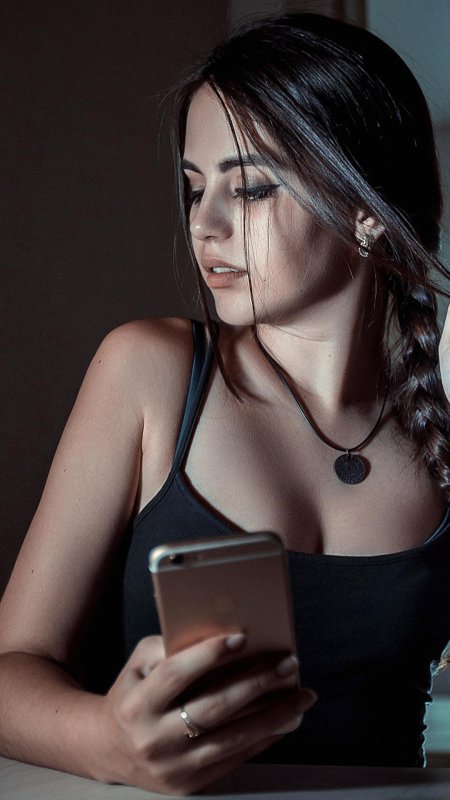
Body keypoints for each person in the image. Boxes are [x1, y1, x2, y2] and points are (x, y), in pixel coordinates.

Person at [1, 11, 450, 796]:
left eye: (249, 187)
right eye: (193, 187)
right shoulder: (151, 372)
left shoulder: (439, 416)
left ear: (366, 207)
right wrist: (107, 743)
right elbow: (11, 667)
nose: (203, 224)